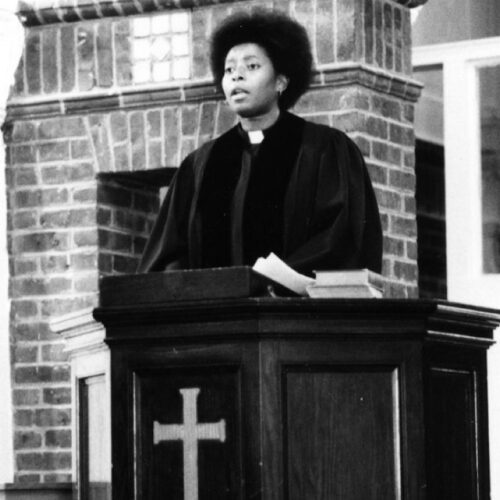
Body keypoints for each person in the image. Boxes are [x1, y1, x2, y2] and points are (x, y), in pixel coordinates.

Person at [138, 9, 382, 276]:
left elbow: (342, 239)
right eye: (229, 69)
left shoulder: (323, 150)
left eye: (251, 66)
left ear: (281, 81)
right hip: (216, 315)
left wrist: (270, 280)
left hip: (292, 313)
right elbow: (169, 255)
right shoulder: (200, 164)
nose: (236, 76)